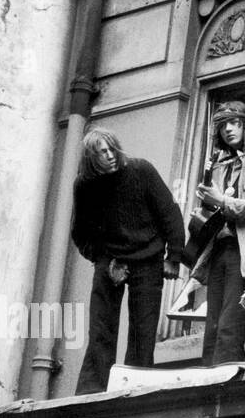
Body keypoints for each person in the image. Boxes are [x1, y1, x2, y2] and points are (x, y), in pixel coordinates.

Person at [71, 129, 186, 394]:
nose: (110, 156)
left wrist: (174, 257)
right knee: (101, 327)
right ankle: (92, 389)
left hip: (149, 256)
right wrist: (103, 260)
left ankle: (137, 385)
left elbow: (170, 213)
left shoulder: (140, 170)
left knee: (143, 329)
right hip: (110, 259)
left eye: (112, 149)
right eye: (102, 152)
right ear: (91, 158)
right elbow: (81, 233)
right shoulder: (84, 185)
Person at [190, 102, 245, 365]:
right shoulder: (218, 164)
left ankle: (222, 385)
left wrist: (222, 201)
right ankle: (207, 383)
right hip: (217, 248)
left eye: (234, 123)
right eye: (222, 125)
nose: (228, 129)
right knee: (213, 327)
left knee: (230, 324)